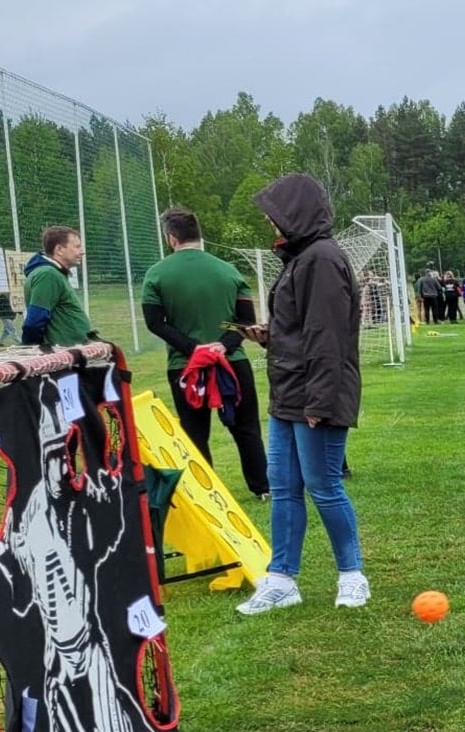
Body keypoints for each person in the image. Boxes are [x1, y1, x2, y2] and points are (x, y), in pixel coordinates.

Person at [236, 173, 368, 615]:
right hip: (288, 395)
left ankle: (352, 576)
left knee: (324, 486)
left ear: (294, 215)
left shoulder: (323, 259)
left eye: (275, 217)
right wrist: (271, 335)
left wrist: (319, 403)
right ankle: (281, 579)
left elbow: (327, 338)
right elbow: (300, 329)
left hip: (316, 397)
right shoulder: (300, 259)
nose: (271, 226)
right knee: (285, 487)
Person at [140, 207, 270, 499]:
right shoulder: (229, 270)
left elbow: (154, 322)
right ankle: (263, 487)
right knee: (247, 428)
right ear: (199, 234)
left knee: (195, 433)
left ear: (171, 238)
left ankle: (206, 493)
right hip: (232, 363)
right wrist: (223, 345)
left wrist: (192, 348)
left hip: (185, 367)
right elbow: (246, 321)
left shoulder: (157, 274)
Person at [21, 225, 94, 348]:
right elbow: (33, 323)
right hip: (62, 358)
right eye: (77, 247)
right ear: (59, 249)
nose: (82, 251)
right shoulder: (47, 275)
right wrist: (34, 356)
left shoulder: (55, 274)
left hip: (72, 354)